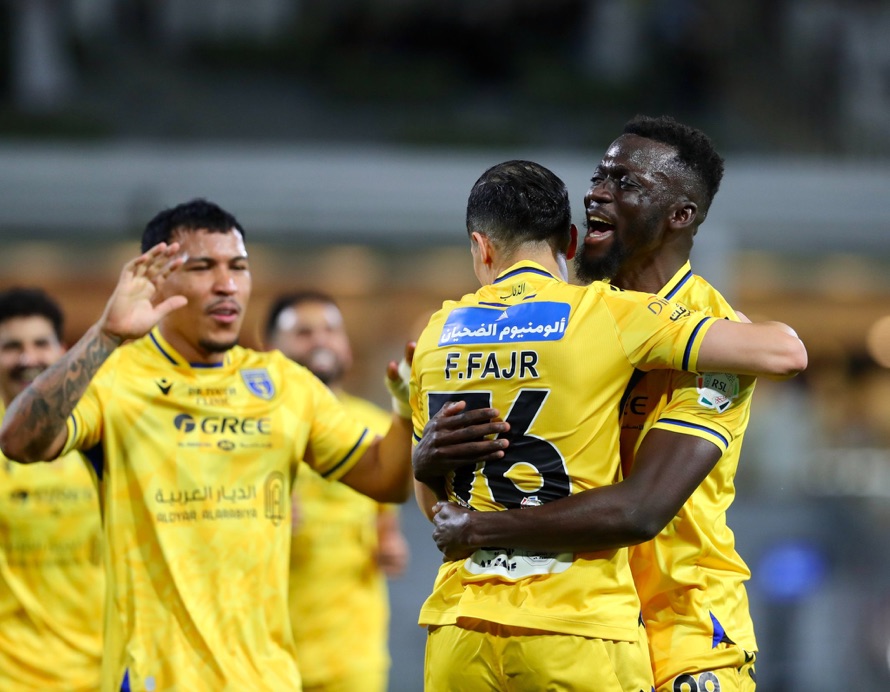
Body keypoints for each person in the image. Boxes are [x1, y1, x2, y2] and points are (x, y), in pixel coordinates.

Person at [408, 159, 805, 691]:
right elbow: (784, 352)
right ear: (571, 242)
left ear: (480, 247)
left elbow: (436, 512)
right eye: (598, 180)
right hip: (578, 621)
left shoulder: (436, 333)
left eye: (623, 182)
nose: (600, 193)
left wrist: (425, 467)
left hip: (461, 623)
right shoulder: (608, 313)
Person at [0, 199, 414, 691]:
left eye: (238, 267)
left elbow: (386, 481)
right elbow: (20, 441)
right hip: (152, 677)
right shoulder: (117, 379)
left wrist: (406, 411)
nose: (227, 284)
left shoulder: (283, 383)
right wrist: (105, 335)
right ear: (157, 280)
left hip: (266, 679)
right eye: (203, 267)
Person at [264, 290, 409, 692]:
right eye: (303, 332)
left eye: (330, 330)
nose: (320, 340)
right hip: (268, 653)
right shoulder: (250, 430)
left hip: (352, 655)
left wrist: (390, 545)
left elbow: (385, 523)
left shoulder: (377, 428)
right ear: (270, 350)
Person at [0, 287, 104, 690]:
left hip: (100, 671)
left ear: (63, 351)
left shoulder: (97, 432)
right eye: (12, 347)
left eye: (40, 344)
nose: (28, 358)